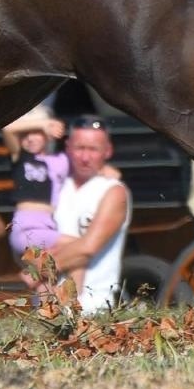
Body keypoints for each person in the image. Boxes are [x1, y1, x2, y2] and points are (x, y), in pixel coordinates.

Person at [49, 117, 131, 314]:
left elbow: (87, 248)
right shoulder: (53, 185)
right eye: (79, 148)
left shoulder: (113, 191)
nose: (85, 157)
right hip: (45, 311)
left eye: (93, 149)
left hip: (92, 309)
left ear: (107, 151)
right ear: (67, 147)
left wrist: (38, 271)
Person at [1, 104, 70, 264]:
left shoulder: (60, 160)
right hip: (27, 229)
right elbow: (8, 129)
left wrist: (106, 170)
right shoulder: (20, 157)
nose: (30, 138)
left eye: (36, 133)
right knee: (80, 246)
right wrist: (42, 124)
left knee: (50, 279)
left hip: (50, 226)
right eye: (24, 134)